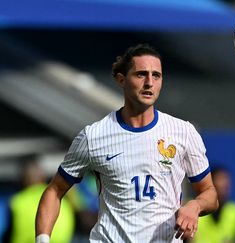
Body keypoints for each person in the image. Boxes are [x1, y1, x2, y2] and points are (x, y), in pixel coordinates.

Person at [35, 43, 219, 243]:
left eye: (156, 75)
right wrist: (42, 240)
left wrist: (195, 206)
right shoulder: (93, 136)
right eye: (141, 74)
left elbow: (209, 193)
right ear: (122, 80)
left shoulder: (183, 132)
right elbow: (54, 190)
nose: (149, 82)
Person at [2, 155, 75, 243]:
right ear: (43, 177)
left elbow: (7, 233)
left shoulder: (17, 201)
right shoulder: (61, 199)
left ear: (23, 180)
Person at [193, 166, 235, 243]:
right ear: (211, 183)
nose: (225, 184)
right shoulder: (193, 209)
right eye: (220, 179)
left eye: (226, 180)